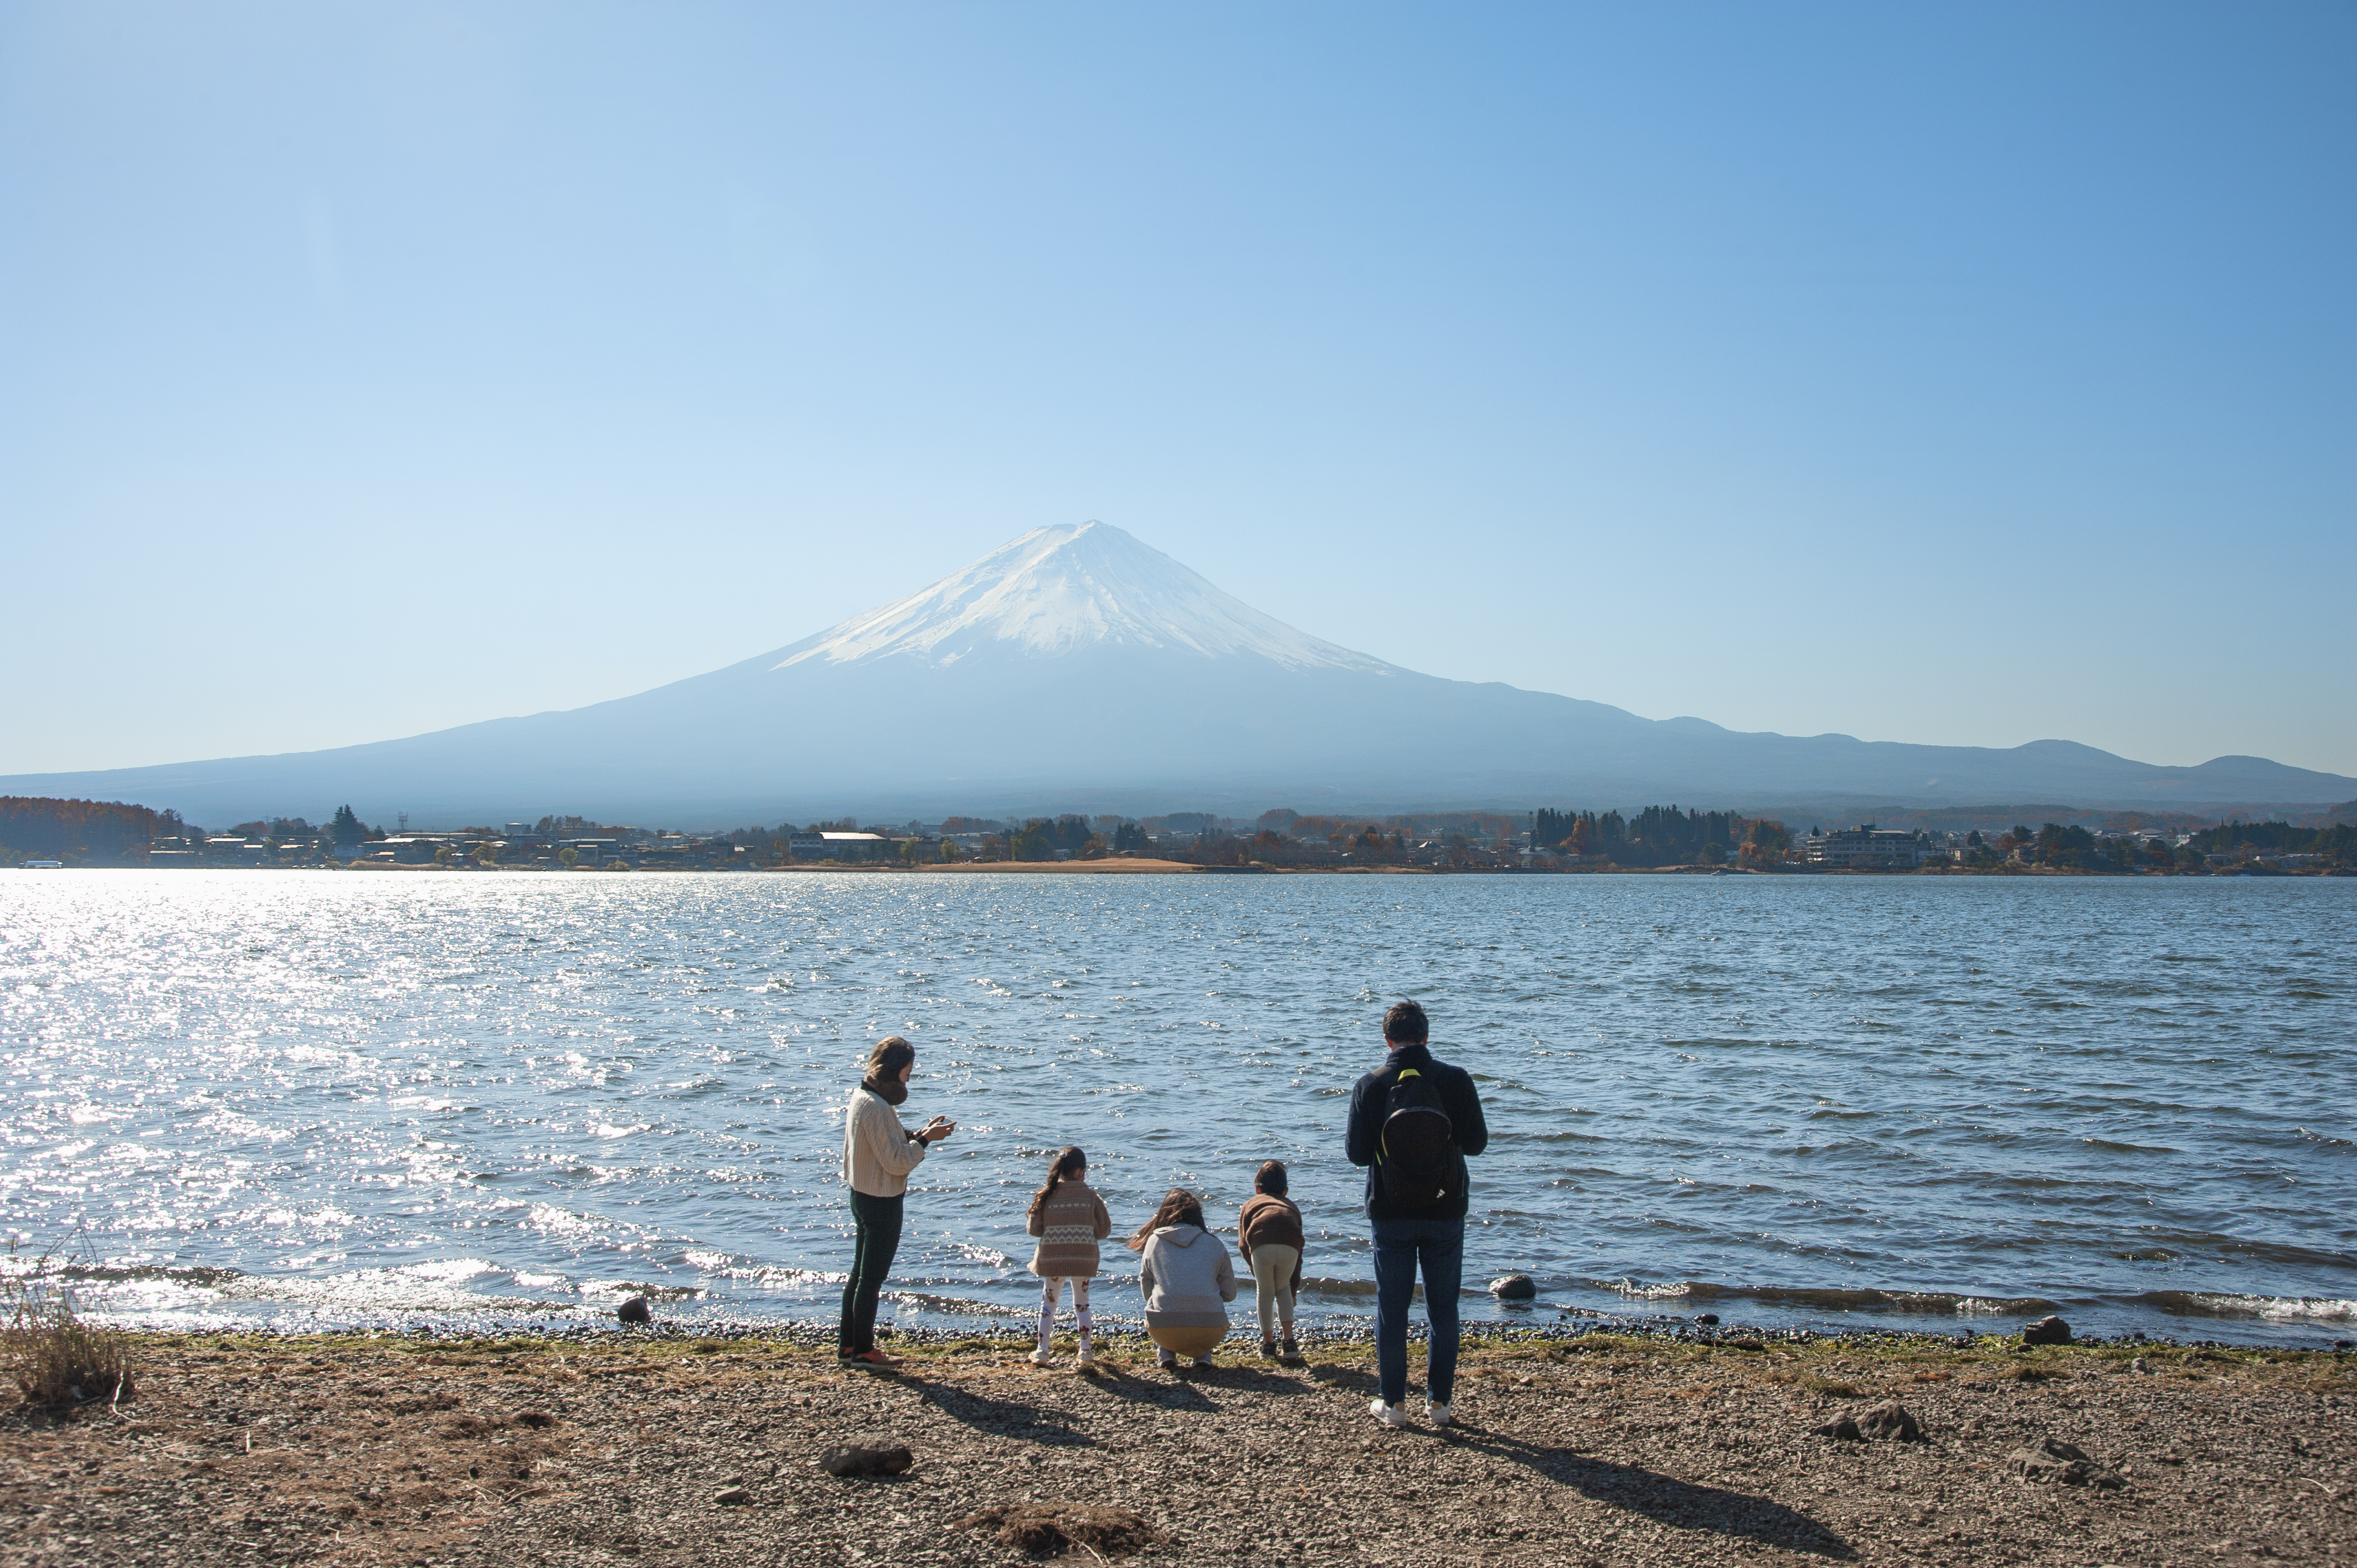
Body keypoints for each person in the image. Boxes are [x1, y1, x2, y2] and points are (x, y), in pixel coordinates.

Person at [1345, 999, 1486, 1428]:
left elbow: (1356, 1156)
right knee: (1444, 1309)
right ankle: (1440, 1405)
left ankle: (1394, 1405)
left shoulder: (1371, 1084)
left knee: (1393, 1308)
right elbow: (1477, 1144)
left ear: (1387, 1039)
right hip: (1446, 1209)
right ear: (1426, 1036)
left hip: (1391, 1211)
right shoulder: (1456, 1080)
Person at [838, 1035, 955, 1368]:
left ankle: (848, 1346)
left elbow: (886, 1142)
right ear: (896, 1068)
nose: (909, 1076)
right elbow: (896, 1162)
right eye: (908, 1070)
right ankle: (863, 1350)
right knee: (870, 1280)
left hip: (861, 1194)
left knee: (859, 1275)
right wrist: (926, 1143)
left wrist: (919, 1134)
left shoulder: (864, 1095)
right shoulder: (876, 1107)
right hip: (881, 1199)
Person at [1025, 1146, 1113, 1370]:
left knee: (1048, 1305)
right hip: (1083, 1258)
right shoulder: (1091, 1196)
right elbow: (1104, 1231)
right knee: (1082, 1305)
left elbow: (1034, 1230)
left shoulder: (1045, 1194)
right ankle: (1085, 1352)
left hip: (1053, 1259)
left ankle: (1042, 1351)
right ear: (1081, 1172)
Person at [1128, 1188, 1236, 1370]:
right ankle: (1203, 1357)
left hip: (1164, 1331)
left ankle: (1166, 1355)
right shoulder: (1214, 1243)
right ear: (1198, 1216)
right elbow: (1230, 1294)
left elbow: (1146, 1288)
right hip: (1210, 1331)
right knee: (1204, 1306)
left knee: (1157, 1302)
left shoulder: (1154, 1241)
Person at [1237, 1159, 1305, 1361]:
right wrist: (1294, 1288)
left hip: (1261, 1243)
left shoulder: (1250, 1204)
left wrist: (1253, 1266)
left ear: (1257, 1189)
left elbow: (1243, 1243)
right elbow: (1299, 1251)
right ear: (1286, 1191)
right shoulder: (1291, 1207)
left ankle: (1268, 1345)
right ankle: (1289, 1342)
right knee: (1283, 1288)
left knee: (1265, 1292)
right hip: (1290, 1245)